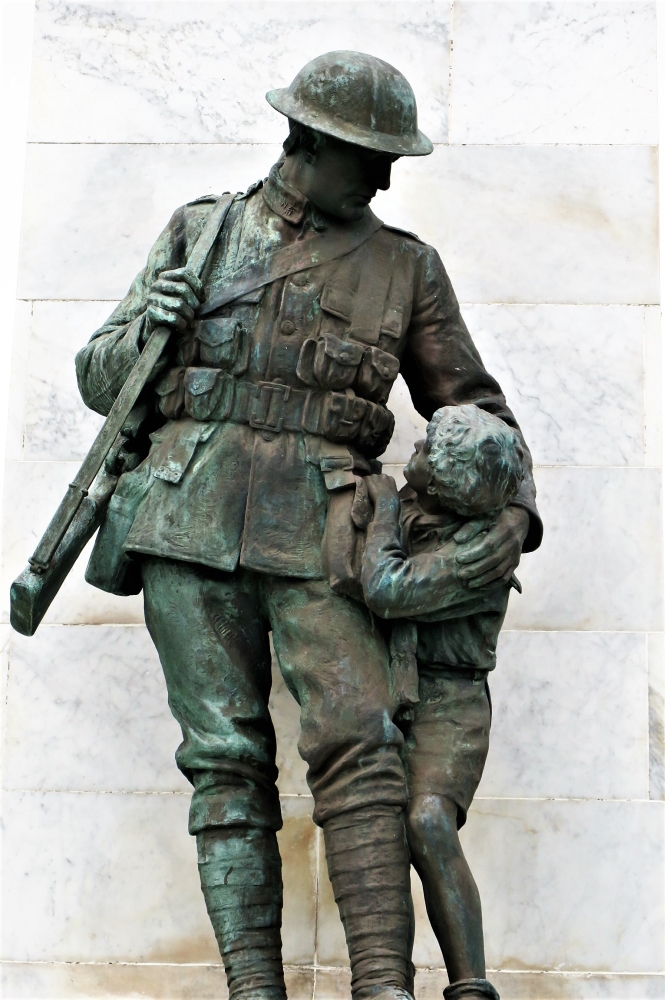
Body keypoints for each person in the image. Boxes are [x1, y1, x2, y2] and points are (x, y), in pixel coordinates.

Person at [75, 50, 542, 1000]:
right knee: (223, 760)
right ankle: (254, 989)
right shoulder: (200, 233)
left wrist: (517, 515)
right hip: (183, 519)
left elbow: (479, 407)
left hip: (327, 535)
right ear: (311, 144)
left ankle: (382, 985)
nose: (380, 177)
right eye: (369, 157)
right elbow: (96, 377)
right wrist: (139, 335)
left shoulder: (406, 266)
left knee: (361, 746)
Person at [360, 404, 527, 1000]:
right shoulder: (420, 508)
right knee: (372, 825)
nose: (417, 454)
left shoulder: (479, 554)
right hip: (394, 688)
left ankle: (470, 985)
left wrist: (379, 513)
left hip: (450, 702)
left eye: (428, 453)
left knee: (428, 821)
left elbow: (387, 589)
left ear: (452, 483)